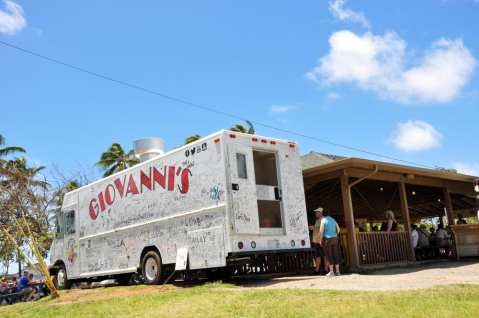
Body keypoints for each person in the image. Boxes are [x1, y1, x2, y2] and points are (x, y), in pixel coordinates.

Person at [319, 209, 341, 277]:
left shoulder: (323, 220)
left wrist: (320, 240)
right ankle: (337, 271)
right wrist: (335, 234)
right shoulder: (333, 219)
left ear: (323, 214)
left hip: (327, 239)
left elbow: (321, 231)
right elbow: (338, 229)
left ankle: (331, 272)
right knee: (335, 254)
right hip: (335, 238)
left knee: (329, 255)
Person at [309, 207, 325, 274]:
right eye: (315, 212)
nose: (315, 213)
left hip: (322, 240)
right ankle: (317, 270)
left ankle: (326, 269)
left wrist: (313, 228)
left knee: (324, 255)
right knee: (317, 256)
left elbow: (323, 229)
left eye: (317, 212)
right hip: (316, 241)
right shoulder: (317, 221)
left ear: (320, 213)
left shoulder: (324, 220)